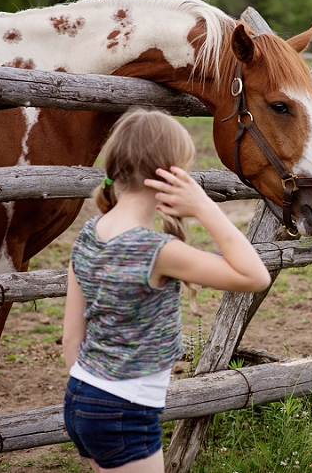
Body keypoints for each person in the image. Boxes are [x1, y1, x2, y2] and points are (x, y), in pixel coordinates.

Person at [62, 108, 271, 473]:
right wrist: (206, 207)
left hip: (82, 397)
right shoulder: (156, 251)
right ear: (173, 175)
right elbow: (255, 276)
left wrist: (93, 396)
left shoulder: (90, 232)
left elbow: (71, 339)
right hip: (123, 413)